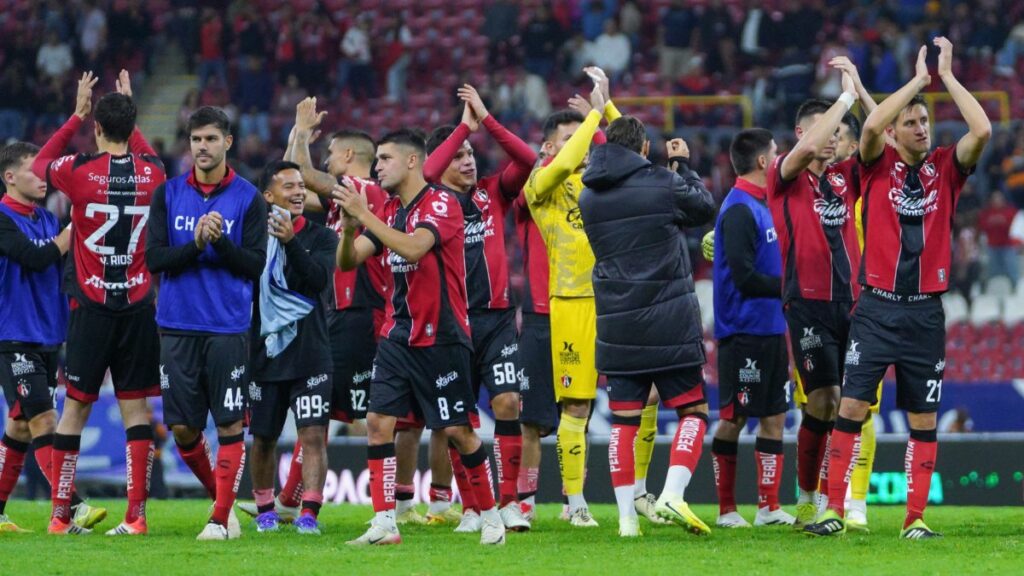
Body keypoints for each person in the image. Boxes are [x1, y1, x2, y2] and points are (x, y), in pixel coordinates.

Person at [805, 38, 990, 539]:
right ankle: (834, 511)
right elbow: (869, 127)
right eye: (911, 122)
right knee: (851, 409)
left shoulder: (948, 168)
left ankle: (914, 520)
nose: (921, 128)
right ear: (894, 132)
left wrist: (946, 78)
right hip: (877, 309)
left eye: (925, 121)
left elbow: (983, 129)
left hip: (926, 313)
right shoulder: (875, 165)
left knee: (923, 420)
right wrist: (915, 82)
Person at [335, 129, 505, 546]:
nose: (377, 167)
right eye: (377, 160)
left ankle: (491, 516)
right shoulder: (391, 210)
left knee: (459, 431)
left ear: (412, 162)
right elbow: (349, 261)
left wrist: (366, 215)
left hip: (442, 338)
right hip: (398, 335)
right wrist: (347, 228)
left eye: (385, 159)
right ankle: (384, 522)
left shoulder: (443, 203)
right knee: (377, 423)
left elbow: (414, 249)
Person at [32, 71, 164, 536]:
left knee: (74, 410)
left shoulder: (78, 171)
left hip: (90, 305)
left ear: (97, 130)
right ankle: (137, 516)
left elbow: (36, 167)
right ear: (131, 128)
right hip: (138, 307)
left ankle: (59, 515)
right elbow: (146, 154)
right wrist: (130, 114)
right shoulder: (154, 174)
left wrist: (75, 114)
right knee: (137, 411)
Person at [579, 116, 715, 537]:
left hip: (617, 323)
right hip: (668, 318)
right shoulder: (661, 181)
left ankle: (625, 520)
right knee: (693, 411)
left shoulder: (588, 195)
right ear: (641, 150)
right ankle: (673, 493)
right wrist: (682, 166)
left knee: (624, 422)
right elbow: (703, 207)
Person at [146, 106, 268, 541]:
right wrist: (197, 243)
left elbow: (254, 266)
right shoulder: (167, 193)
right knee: (183, 428)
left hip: (228, 327)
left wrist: (220, 242)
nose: (202, 147)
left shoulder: (249, 198)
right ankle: (227, 503)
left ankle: (218, 519)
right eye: (196, 139)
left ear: (227, 143)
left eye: (211, 139)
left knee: (230, 423)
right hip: (177, 325)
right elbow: (155, 259)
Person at [765, 58, 875, 528]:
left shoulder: (843, 178)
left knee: (850, 403)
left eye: (837, 132)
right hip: (806, 301)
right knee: (823, 401)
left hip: (851, 303)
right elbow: (811, 144)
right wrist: (842, 99)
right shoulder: (783, 175)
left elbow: (879, 138)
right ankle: (809, 495)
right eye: (822, 130)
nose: (831, 138)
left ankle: (840, 502)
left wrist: (860, 90)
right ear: (800, 132)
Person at [423, 84, 538, 532]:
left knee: (508, 402)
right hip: (451, 323)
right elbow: (428, 171)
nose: (467, 160)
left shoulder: (494, 191)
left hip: (496, 319)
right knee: (458, 420)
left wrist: (485, 121)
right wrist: (460, 129)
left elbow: (530, 161)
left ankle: (509, 503)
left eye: (470, 153)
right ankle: (473, 506)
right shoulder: (432, 199)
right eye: (459, 155)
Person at [523, 68, 619, 527]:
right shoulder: (540, 183)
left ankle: (636, 494)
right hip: (573, 301)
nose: (583, 139)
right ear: (548, 146)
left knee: (647, 396)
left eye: (583, 133)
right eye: (571, 135)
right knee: (577, 405)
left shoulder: (602, 181)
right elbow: (564, 164)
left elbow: (632, 151)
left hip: (618, 299)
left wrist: (607, 107)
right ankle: (575, 503)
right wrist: (593, 118)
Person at [710, 128, 795, 528]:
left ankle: (768, 506)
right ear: (763, 162)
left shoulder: (767, 204)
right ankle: (727, 509)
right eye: (776, 153)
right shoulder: (740, 207)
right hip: (742, 331)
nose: (780, 159)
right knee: (734, 418)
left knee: (775, 415)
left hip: (772, 329)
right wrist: (790, 286)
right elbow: (743, 277)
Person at [246, 161, 336, 536]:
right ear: (269, 196)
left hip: (311, 353)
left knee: (313, 435)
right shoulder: (250, 240)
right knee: (264, 436)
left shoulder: (321, 237)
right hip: (265, 353)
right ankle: (266, 511)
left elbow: (316, 280)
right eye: (288, 187)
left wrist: (290, 241)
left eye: (301, 185)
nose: (299, 192)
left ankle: (309, 513)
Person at [0, 142, 74, 533]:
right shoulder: (2, 218)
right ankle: (70, 507)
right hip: (12, 334)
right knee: (45, 419)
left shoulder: (46, 219)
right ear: (10, 177)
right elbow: (35, 257)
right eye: (33, 170)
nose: (42, 176)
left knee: (21, 427)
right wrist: (72, 232)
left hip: (47, 335)